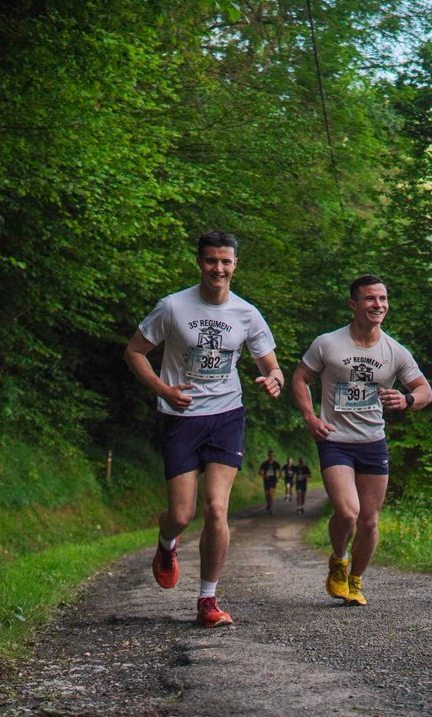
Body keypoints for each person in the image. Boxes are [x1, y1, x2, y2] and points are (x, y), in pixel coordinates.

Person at [124, 231, 284, 628]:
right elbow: (135, 352)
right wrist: (163, 389)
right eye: (212, 260)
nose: (219, 268)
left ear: (235, 265)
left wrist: (275, 379)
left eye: (226, 261)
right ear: (200, 262)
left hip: (227, 414)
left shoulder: (247, 314)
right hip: (180, 417)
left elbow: (272, 366)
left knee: (216, 508)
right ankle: (167, 544)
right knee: (181, 514)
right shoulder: (173, 307)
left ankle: (207, 599)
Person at [291, 275, 432, 606]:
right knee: (349, 512)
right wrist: (311, 418)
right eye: (370, 299)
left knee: (369, 521)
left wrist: (408, 400)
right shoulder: (328, 343)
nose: (378, 305)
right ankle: (339, 560)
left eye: (382, 299)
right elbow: (300, 378)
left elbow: (425, 390)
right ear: (353, 304)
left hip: (373, 441)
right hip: (335, 439)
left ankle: (355, 580)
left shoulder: (394, 351)